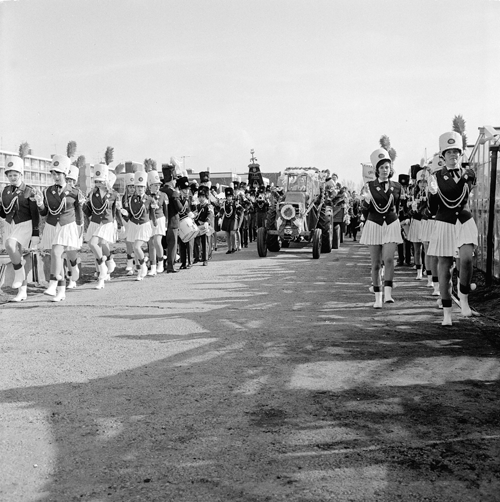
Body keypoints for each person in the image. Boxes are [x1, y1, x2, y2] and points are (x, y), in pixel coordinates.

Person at [428, 131, 478, 325]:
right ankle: (447, 312)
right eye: (449, 152)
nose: (453, 155)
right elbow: (433, 209)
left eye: (456, 151)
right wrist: (432, 193)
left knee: (466, 259)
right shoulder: (436, 176)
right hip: (444, 222)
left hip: (464, 220)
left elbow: (465, 195)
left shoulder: (469, 174)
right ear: (443, 155)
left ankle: (464, 298)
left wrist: (464, 178)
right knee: (445, 267)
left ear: (460, 153)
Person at [36, 155, 84, 302]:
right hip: (52, 225)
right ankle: (61, 291)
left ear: (65, 174)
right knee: (57, 258)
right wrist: (40, 204)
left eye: (58, 174)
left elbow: (79, 213)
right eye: (53, 174)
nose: (55, 177)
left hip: (67, 225)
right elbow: (45, 213)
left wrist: (80, 229)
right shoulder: (47, 191)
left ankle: (52, 283)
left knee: (57, 252)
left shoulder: (75, 192)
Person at [360, 148, 403, 308]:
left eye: (387, 167)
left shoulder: (397, 186)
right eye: (382, 167)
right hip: (374, 224)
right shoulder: (369, 186)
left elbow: (398, 207)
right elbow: (364, 212)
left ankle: (388, 294)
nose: (385, 170)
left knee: (389, 259)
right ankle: (377, 297)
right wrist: (366, 202)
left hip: (391, 224)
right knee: (376, 263)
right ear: (376, 170)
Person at [0, 155, 40, 302]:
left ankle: (18, 272)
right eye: (10, 175)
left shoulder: (28, 191)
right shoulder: (5, 191)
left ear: (21, 174)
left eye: (15, 175)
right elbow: (4, 212)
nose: (12, 178)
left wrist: (36, 232)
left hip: (25, 224)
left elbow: (35, 213)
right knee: (17, 254)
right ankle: (22, 292)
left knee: (10, 244)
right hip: (11, 225)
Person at [83, 164, 123, 289]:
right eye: (96, 181)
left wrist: (120, 224)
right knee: (98, 248)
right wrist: (83, 205)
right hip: (95, 222)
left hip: (106, 222)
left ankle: (104, 268)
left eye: (100, 181)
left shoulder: (113, 194)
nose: (98, 184)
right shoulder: (91, 194)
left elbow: (116, 211)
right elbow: (88, 211)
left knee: (93, 243)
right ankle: (102, 274)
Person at [126, 171, 154, 281]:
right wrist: (124, 213)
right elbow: (131, 213)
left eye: (142, 187)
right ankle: (140, 268)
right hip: (134, 224)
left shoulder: (149, 199)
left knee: (137, 247)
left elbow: (153, 213)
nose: (140, 189)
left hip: (144, 225)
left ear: (145, 187)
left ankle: (143, 267)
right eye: (138, 187)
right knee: (135, 248)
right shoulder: (131, 199)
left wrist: (156, 224)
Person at [160, 164, 183, 273]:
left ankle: (161, 265)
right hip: (172, 221)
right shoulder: (173, 192)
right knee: (172, 245)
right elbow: (179, 208)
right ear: (172, 179)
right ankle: (170, 266)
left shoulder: (160, 190)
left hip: (161, 222)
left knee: (162, 244)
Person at [147, 170, 168, 275]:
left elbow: (166, 210)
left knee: (157, 241)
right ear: (150, 185)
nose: (157, 187)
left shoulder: (163, 195)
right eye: (155, 185)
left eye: (158, 185)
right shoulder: (146, 196)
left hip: (159, 219)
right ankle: (153, 266)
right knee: (151, 243)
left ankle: (161, 263)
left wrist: (166, 222)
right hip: (149, 220)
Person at [120, 173, 137, 275]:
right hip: (127, 223)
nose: (132, 189)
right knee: (128, 243)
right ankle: (130, 263)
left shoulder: (137, 197)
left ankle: (137, 264)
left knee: (135, 244)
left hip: (136, 223)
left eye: (133, 187)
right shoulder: (124, 198)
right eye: (130, 187)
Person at [194, 186, 214, 265]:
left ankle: (205, 259)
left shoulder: (208, 206)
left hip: (205, 226)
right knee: (196, 241)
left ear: (206, 197)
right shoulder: (197, 206)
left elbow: (210, 214)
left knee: (205, 242)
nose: (201, 199)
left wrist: (207, 221)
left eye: (203, 197)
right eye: (199, 197)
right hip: (198, 226)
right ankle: (196, 257)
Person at [220, 186, 239, 253]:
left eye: (230, 196)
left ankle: (234, 247)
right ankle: (229, 248)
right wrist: (219, 216)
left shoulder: (235, 203)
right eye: (228, 196)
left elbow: (240, 209)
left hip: (233, 219)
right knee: (227, 234)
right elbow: (222, 210)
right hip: (226, 219)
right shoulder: (224, 203)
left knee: (232, 233)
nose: (229, 198)